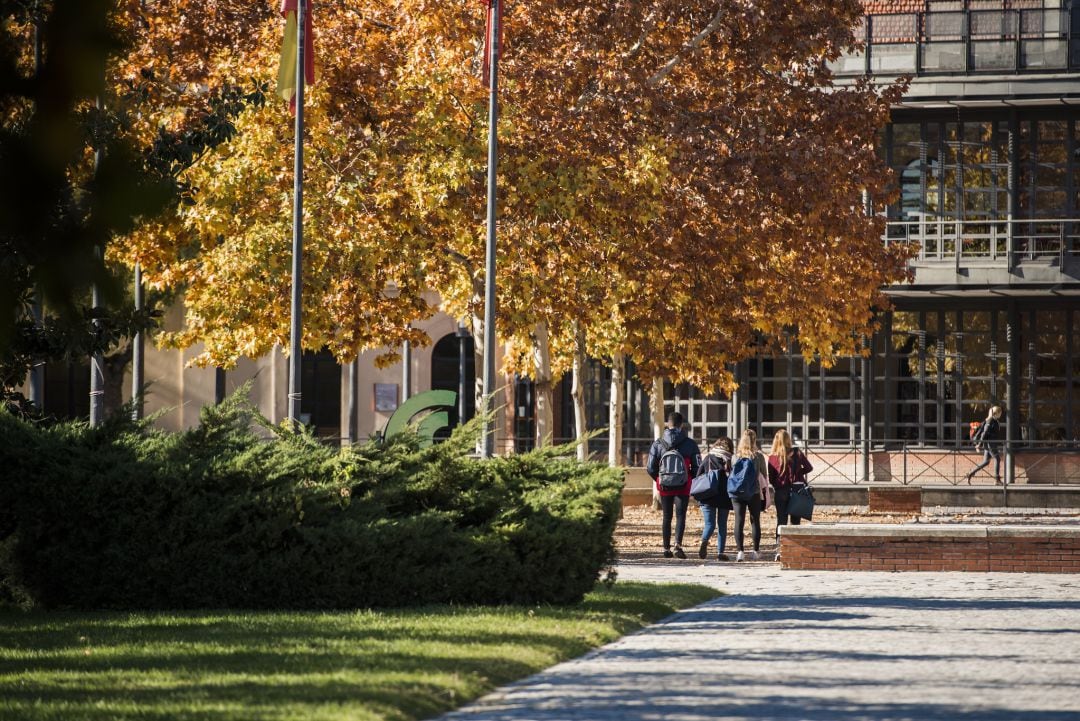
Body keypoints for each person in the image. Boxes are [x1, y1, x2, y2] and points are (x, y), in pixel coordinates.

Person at [646, 411, 700, 559]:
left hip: (664, 487)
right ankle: (678, 545)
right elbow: (697, 467)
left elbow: (650, 468)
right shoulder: (690, 443)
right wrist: (689, 479)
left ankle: (666, 548)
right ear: (681, 425)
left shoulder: (658, 444)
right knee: (681, 515)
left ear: (667, 424)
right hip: (683, 486)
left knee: (666, 516)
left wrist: (659, 479)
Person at [768, 429, 814, 557]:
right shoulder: (797, 453)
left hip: (781, 491)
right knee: (795, 521)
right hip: (796, 490)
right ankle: (794, 549)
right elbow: (809, 467)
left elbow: (771, 478)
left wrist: (778, 484)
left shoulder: (772, 457)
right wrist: (798, 473)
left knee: (781, 520)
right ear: (788, 439)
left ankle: (779, 550)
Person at [730, 428, 767, 562]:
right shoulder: (758, 456)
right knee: (755, 521)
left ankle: (740, 552)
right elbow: (764, 474)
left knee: (739, 521)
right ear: (754, 440)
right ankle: (755, 551)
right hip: (754, 492)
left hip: (737, 492)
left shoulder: (735, 456)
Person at [696, 437, 734, 561]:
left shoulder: (708, 457)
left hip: (707, 495)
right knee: (722, 525)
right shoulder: (728, 460)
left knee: (709, 524)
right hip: (724, 496)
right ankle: (720, 552)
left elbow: (699, 475)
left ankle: (704, 541)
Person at [966, 405, 1003, 483]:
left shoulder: (994, 421)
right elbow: (984, 433)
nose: (1001, 415)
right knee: (997, 458)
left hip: (989, 444)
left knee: (986, 462)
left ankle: (970, 473)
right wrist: (979, 444)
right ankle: (997, 479)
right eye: (1000, 413)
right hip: (990, 444)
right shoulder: (990, 421)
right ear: (996, 413)